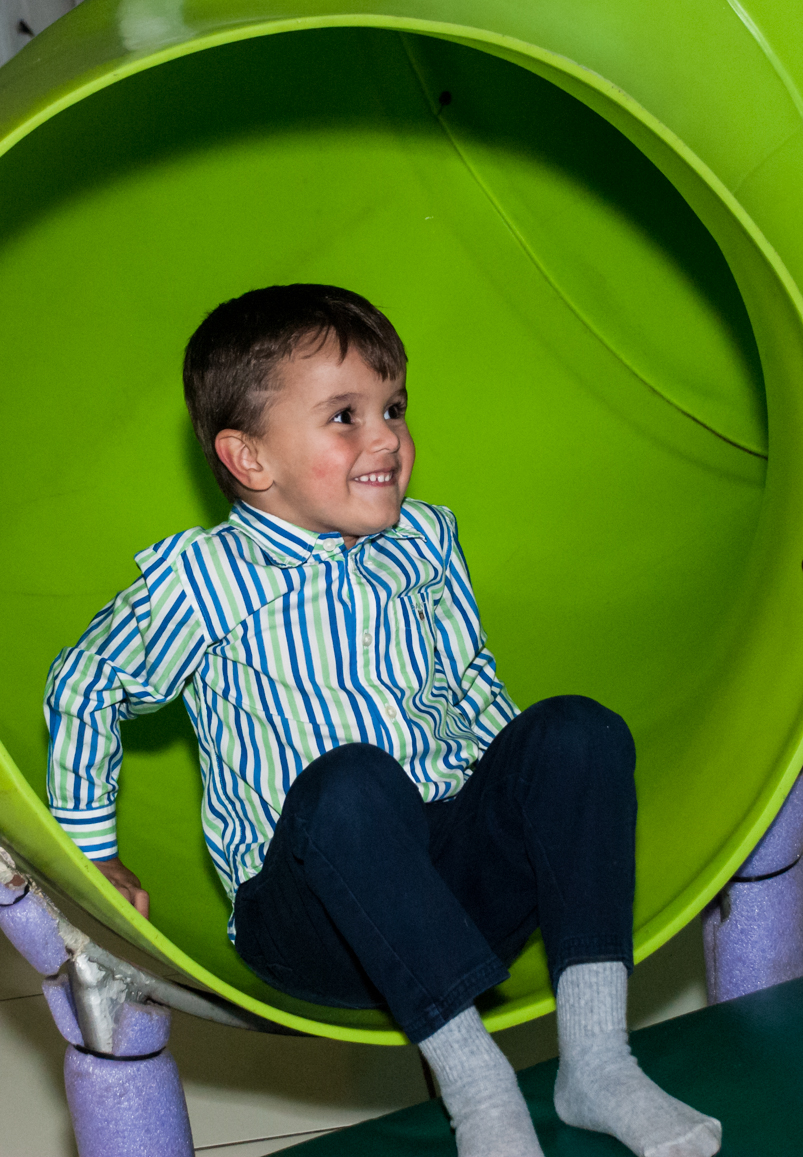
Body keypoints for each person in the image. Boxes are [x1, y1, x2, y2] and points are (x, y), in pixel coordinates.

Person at [45, 284, 721, 1157]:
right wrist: (91, 852)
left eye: (393, 407)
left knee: (576, 730)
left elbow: (469, 682)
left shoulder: (426, 540)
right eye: (343, 416)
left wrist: (525, 796)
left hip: (452, 892)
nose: (385, 438)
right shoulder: (202, 580)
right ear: (250, 460)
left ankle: (596, 1062)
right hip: (312, 919)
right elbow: (85, 684)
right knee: (353, 779)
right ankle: (479, 1095)